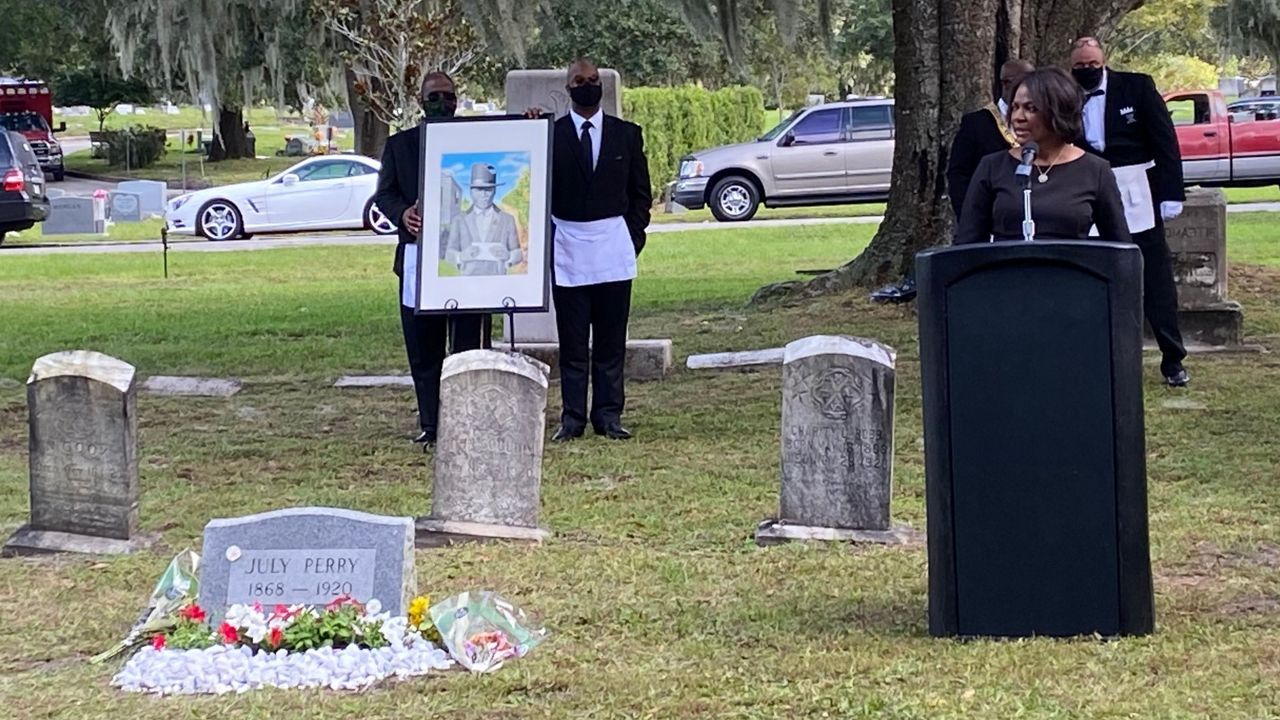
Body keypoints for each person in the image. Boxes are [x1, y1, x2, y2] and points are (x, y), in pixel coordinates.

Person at [373, 71, 490, 450]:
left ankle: (467, 421)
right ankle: (431, 423)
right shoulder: (400, 145)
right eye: (435, 96)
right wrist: (404, 214)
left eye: (449, 95)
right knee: (424, 349)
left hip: (466, 259)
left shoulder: (476, 142)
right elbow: (384, 195)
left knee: (468, 346)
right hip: (417, 259)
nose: (444, 102)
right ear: (420, 100)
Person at [538, 58, 651, 442]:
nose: (587, 85)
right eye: (579, 81)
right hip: (568, 245)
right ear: (568, 89)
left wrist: (633, 236)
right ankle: (572, 418)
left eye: (593, 80)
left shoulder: (626, 135)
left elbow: (640, 194)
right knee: (572, 342)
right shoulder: (550, 136)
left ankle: (608, 414)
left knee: (610, 340)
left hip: (613, 247)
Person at [1070, 36, 1190, 387]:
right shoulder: (1064, 93)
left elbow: (1164, 139)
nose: (1087, 72)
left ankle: (1173, 358)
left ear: (1103, 61)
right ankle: (1096, 354)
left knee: (1154, 274)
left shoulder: (1136, 87)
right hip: (1088, 186)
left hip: (1137, 186)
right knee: (1093, 269)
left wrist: (1170, 192)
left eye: (1093, 65)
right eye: (1080, 67)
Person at [871, 59, 1033, 304]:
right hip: (987, 215)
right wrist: (971, 211)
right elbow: (958, 173)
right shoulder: (978, 122)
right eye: (1024, 83)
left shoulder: (1040, 121)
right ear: (1006, 84)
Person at [955, 67, 1130, 247]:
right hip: (1006, 272)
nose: (1017, 117)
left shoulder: (1095, 170)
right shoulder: (992, 166)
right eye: (1015, 107)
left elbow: (1120, 249)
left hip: (1072, 273)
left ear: (1058, 111)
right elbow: (967, 244)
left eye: (1030, 108)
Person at [444, 163, 522, 276]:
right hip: (467, 283)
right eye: (479, 190)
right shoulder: (459, 220)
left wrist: (509, 257)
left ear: (494, 191)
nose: (484, 195)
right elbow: (449, 253)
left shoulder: (507, 220)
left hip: (499, 282)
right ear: (471, 191)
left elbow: (518, 252)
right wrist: (461, 256)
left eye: (488, 190)